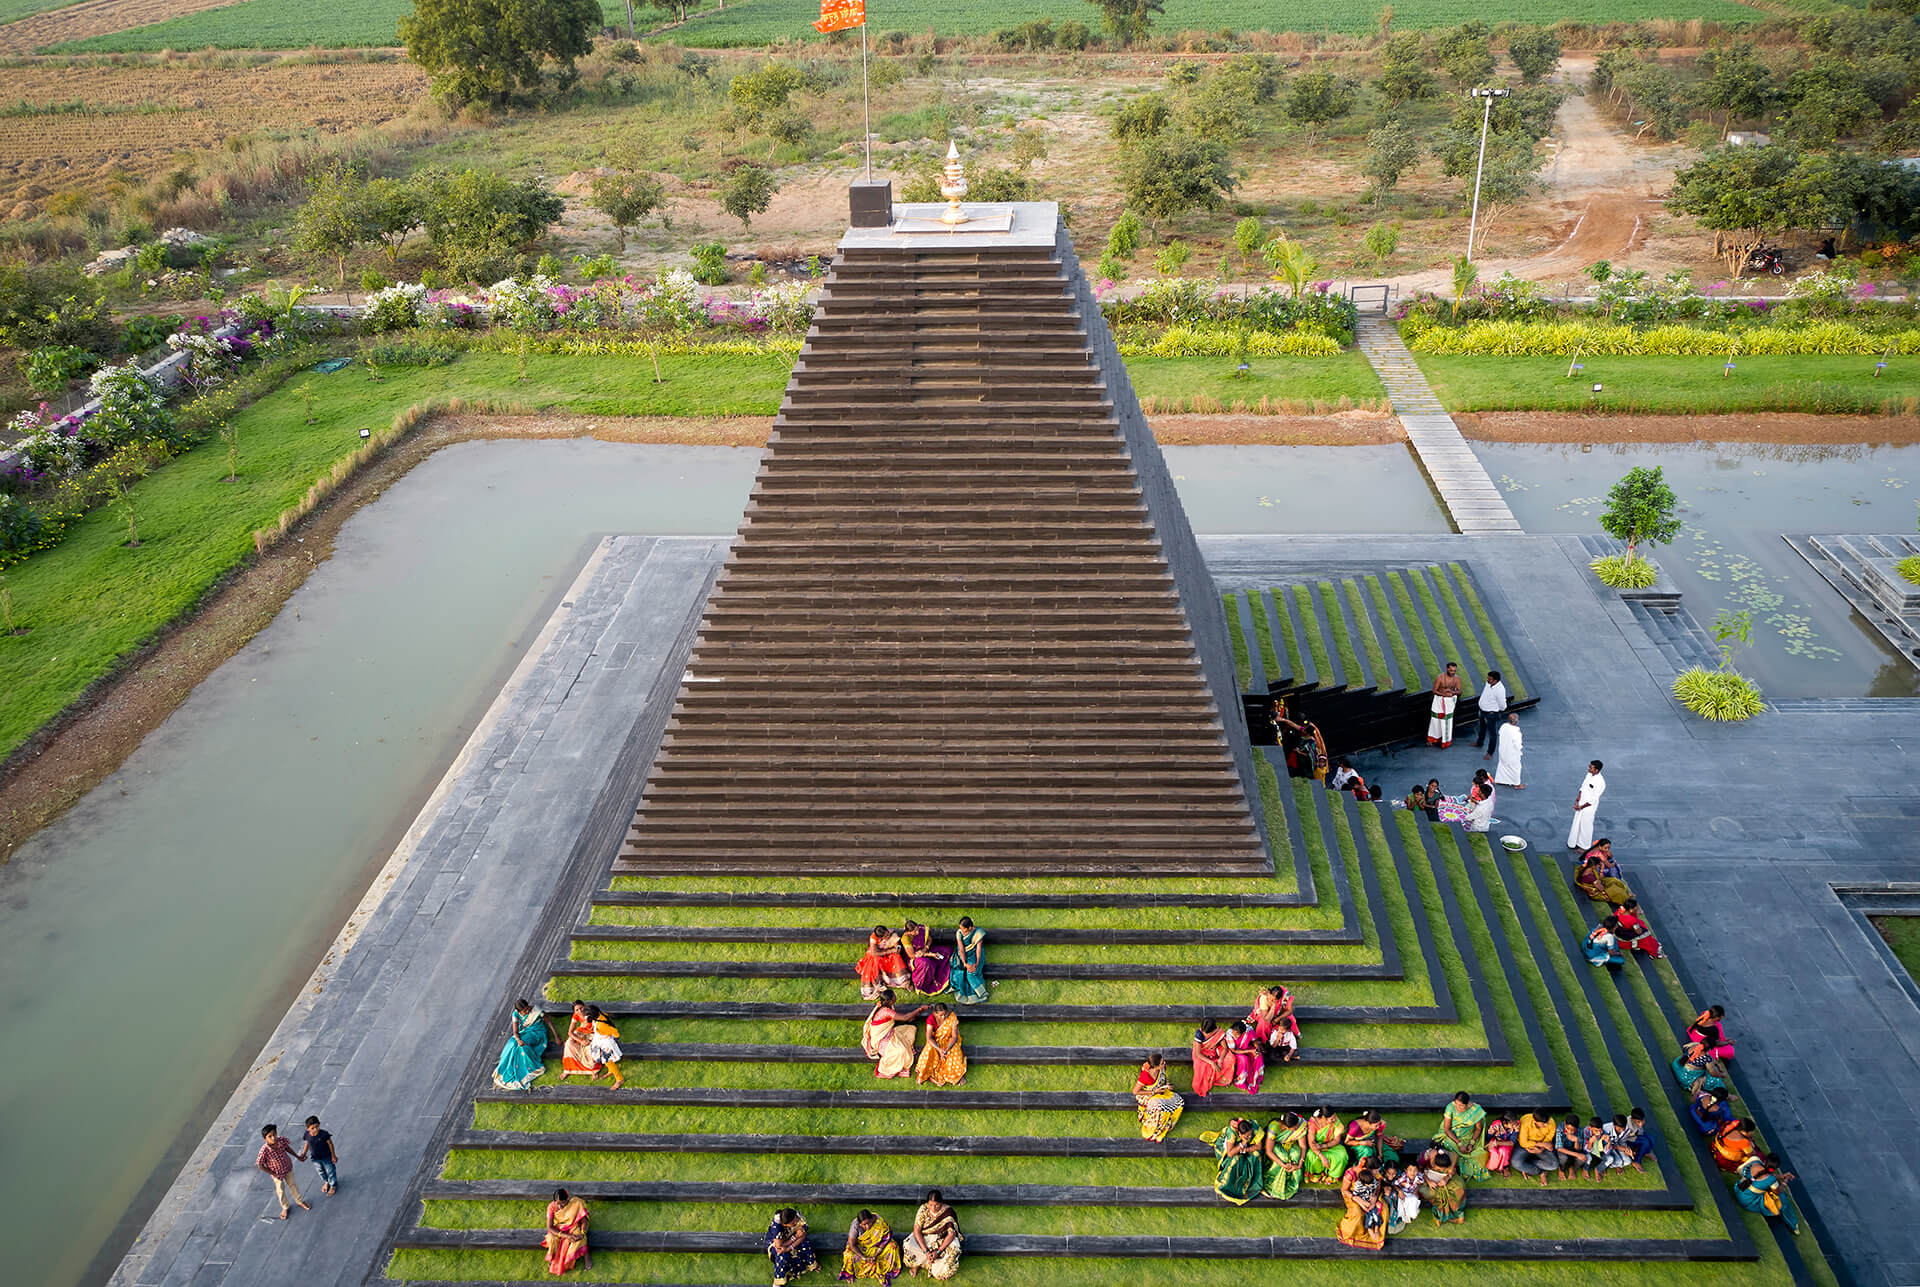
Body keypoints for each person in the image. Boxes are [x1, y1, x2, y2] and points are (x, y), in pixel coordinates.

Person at [862, 989, 928, 1079]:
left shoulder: (886, 1006)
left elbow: (902, 1018)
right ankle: (887, 1068)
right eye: (894, 996)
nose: (895, 997)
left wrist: (909, 1017)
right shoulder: (886, 1011)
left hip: (889, 1032)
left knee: (910, 1029)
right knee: (902, 1051)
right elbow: (905, 1017)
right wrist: (920, 1009)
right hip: (881, 1040)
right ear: (890, 1000)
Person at [492, 998, 555, 1092]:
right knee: (512, 1043)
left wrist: (556, 1036)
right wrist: (518, 1039)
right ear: (518, 1011)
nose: (527, 1011)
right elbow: (515, 1031)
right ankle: (507, 1066)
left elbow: (549, 1022)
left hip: (538, 1033)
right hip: (525, 1032)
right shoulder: (515, 1014)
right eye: (524, 1011)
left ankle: (531, 1067)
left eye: (527, 1008)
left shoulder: (536, 1011)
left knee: (523, 1046)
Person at [901, 1191, 962, 1279]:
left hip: (942, 1239)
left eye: (936, 1205)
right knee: (908, 1244)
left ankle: (936, 1268)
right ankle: (917, 1264)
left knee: (955, 1249)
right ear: (927, 1203)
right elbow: (917, 1229)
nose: (933, 1208)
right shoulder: (923, 1209)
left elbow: (951, 1234)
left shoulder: (948, 1212)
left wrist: (938, 1252)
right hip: (926, 1237)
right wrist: (926, 1251)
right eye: (930, 1205)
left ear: (941, 1203)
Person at [1734, 1154, 1802, 1234]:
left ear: (1764, 1161)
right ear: (1775, 1169)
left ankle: (1793, 1224)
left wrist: (1781, 1176)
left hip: (1738, 1190)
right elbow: (1778, 1191)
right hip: (1747, 1203)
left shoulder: (1754, 1162)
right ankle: (1793, 1225)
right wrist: (1784, 1182)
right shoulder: (1771, 1179)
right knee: (1782, 1197)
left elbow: (1744, 1171)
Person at [1205, 1116, 1266, 1204]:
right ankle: (1231, 1184)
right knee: (1236, 1158)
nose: (1249, 1136)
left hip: (1245, 1148)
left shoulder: (1254, 1127)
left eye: (1250, 1134)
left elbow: (1259, 1146)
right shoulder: (1232, 1133)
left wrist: (1246, 1149)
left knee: (1257, 1154)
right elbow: (1230, 1153)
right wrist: (1243, 1143)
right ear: (1239, 1134)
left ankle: (1254, 1181)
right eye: (1247, 1136)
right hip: (1229, 1149)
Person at [256, 1124, 310, 1220]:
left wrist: (297, 1156)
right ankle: (285, 1207)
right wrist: (273, 1174)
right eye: (270, 1136)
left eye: (274, 1134)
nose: (273, 1138)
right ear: (265, 1139)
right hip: (277, 1174)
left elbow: (287, 1148)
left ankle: (299, 1201)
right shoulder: (264, 1151)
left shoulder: (281, 1140)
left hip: (287, 1167)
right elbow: (260, 1165)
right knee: (281, 1190)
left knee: (293, 1185)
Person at [1435, 1091, 1491, 1181]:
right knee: (1448, 1145)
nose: (1457, 1108)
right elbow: (1447, 1129)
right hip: (1451, 1135)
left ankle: (1456, 1168)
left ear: (1467, 1104)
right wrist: (1459, 1144)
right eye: (1456, 1104)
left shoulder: (1476, 1111)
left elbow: (1478, 1129)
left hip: (1469, 1136)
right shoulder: (1450, 1107)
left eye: (1461, 1106)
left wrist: (1471, 1144)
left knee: (1480, 1154)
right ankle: (1455, 1168)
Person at [1336, 1160, 1388, 1249]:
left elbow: (1377, 1188)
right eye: (1375, 1171)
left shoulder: (1374, 1175)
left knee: (1383, 1209)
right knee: (1358, 1213)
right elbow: (1344, 1190)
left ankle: (1376, 1230)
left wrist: (1374, 1199)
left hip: (1370, 1195)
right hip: (1352, 1196)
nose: (1378, 1173)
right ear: (1367, 1170)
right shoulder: (1351, 1173)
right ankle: (1365, 1231)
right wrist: (1360, 1201)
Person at [1134, 1053, 1186, 1141]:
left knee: (1179, 1100)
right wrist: (1154, 1092)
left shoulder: (1162, 1068)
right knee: (1160, 1106)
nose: (1164, 1063)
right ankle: (1156, 1129)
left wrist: (1166, 1086)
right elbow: (1135, 1091)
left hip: (1160, 1091)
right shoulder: (1145, 1076)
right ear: (1155, 1066)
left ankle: (1168, 1123)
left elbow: (1162, 1081)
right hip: (1148, 1095)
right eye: (1162, 1063)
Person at [841, 1210, 902, 1281]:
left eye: (869, 1223)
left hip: (877, 1247)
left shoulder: (878, 1221)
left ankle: (887, 1268)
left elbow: (886, 1237)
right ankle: (853, 1272)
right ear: (860, 1224)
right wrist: (864, 1258)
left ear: (872, 1218)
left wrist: (876, 1254)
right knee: (849, 1255)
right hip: (861, 1247)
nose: (867, 1227)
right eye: (864, 1225)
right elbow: (852, 1245)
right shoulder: (855, 1225)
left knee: (893, 1246)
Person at [915, 1004, 966, 1087]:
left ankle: (956, 1075)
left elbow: (954, 1036)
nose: (943, 1017)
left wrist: (947, 1049)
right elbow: (929, 1038)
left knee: (955, 1050)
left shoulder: (952, 1017)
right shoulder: (931, 1019)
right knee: (929, 1049)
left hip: (949, 1041)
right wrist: (939, 1049)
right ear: (935, 1013)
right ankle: (924, 1073)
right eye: (941, 1015)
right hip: (936, 1041)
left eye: (945, 1014)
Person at [856, 926, 912, 1000]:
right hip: (879, 953)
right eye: (885, 936)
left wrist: (898, 948)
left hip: (890, 952)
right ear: (880, 938)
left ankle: (902, 981)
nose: (887, 936)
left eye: (887, 934)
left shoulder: (892, 933)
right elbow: (874, 952)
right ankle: (878, 983)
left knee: (896, 957)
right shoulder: (873, 938)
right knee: (875, 960)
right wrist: (888, 951)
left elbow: (897, 945)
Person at [767, 1208, 820, 1286]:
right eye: (793, 1223)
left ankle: (812, 1265)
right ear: (785, 1225)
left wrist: (790, 1246)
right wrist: (795, 1237)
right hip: (776, 1245)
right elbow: (779, 1247)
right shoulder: (777, 1228)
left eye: (796, 1220)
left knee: (805, 1244)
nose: (796, 1222)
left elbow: (803, 1235)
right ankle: (778, 1282)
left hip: (791, 1238)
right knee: (782, 1256)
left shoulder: (794, 1216)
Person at [1262, 1113, 1308, 1200]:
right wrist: (1283, 1164)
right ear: (1288, 1127)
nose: (1298, 1128)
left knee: (1296, 1154)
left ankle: (1293, 1180)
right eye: (1295, 1127)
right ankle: (1277, 1180)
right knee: (1283, 1157)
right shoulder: (1274, 1127)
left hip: (1291, 1144)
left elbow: (1303, 1147)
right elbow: (1269, 1151)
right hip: (1277, 1145)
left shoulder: (1299, 1123)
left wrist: (1299, 1165)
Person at [544, 1188, 590, 1275]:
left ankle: (587, 1256)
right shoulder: (551, 1207)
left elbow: (584, 1221)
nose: (561, 1206)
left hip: (574, 1226)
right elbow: (550, 1227)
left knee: (579, 1238)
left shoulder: (576, 1203)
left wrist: (582, 1233)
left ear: (567, 1198)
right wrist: (566, 1236)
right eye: (558, 1204)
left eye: (563, 1203)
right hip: (559, 1229)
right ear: (554, 1201)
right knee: (551, 1239)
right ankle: (553, 1258)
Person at [901, 919, 952, 995]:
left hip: (924, 950)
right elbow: (912, 955)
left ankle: (943, 969)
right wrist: (929, 954)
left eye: (917, 929)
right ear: (908, 932)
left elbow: (929, 940)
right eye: (914, 931)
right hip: (914, 959)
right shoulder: (905, 939)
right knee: (926, 963)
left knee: (946, 950)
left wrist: (925, 949)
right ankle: (922, 985)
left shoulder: (921, 930)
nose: (917, 932)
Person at [1418, 1145, 1466, 1224]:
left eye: (1444, 1169)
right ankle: (1441, 1214)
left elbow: (1453, 1170)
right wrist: (1428, 1181)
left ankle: (1454, 1215)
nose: (1441, 1170)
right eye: (1439, 1168)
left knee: (1458, 1188)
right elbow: (1419, 1170)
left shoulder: (1451, 1157)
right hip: (1428, 1176)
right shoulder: (1426, 1156)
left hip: (1445, 1177)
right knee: (1430, 1192)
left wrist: (1446, 1178)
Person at [1567, 760, 1607, 851]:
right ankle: (1574, 842)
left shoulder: (1600, 782)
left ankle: (1584, 846)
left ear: (1597, 770)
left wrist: (1581, 807)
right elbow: (1582, 788)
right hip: (1581, 803)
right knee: (1577, 822)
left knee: (1586, 826)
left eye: (1591, 767)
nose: (1589, 768)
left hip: (1588, 807)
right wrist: (1577, 801)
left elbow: (1593, 799)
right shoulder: (1589, 775)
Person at [1575, 840, 1631, 905]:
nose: (1599, 866)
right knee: (1618, 892)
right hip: (1597, 892)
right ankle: (1627, 903)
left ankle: (1627, 894)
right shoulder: (1590, 876)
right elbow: (1601, 889)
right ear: (1594, 866)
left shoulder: (1588, 868)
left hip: (1597, 883)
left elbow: (1600, 879)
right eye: (1598, 865)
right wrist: (1602, 870)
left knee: (1614, 880)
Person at [1190, 1017, 1236, 1096]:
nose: (1205, 1033)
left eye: (1207, 1032)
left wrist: (1220, 1060)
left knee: (1231, 1059)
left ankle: (1221, 1079)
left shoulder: (1218, 1032)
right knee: (1201, 1065)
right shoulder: (1199, 1033)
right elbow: (1198, 1053)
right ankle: (1206, 1082)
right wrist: (1212, 1063)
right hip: (1202, 1053)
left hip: (1214, 1051)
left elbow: (1225, 1048)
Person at [1304, 1107, 1350, 1185]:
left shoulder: (1336, 1122)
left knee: (1342, 1155)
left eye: (1335, 1116)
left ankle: (1333, 1176)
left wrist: (1323, 1146)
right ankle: (1316, 1174)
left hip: (1331, 1145)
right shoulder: (1313, 1123)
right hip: (1316, 1147)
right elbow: (1312, 1144)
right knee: (1311, 1155)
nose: (1335, 1119)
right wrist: (1322, 1157)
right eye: (1332, 1119)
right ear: (1323, 1118)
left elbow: (1336, 1140)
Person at [1511, 1110, 1558, 1185]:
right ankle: (1541, 1172)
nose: (1546, 1125)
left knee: (1554, 1165)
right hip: (1525, 1147)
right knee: (1516, 1163)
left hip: (1542, 1146)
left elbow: (1548, 1138)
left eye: (1547, 1122)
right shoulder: (1525, 1121)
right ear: (1535, 1121)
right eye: (1544, 1123)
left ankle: (1527, 1164)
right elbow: (1523, 1143)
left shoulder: (1551, 1122)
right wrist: (1541, 1145)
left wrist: (1541, 1149)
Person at [297, 1115, 338, 1196]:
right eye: (312, 1128)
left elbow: (330, 1144)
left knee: (330, 1171)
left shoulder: (323, 1134)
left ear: (319, 1125)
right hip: (315, 1158)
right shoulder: (307, 1135)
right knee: (321, 1172)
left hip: (327, 1157)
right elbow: (307, 1143)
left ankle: (333, 1185)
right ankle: (327, 1182)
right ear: (308, 1129)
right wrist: (304, 1153)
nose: (315, 1129)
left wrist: (333, 1155)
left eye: (317, 1127)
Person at [584, 1006, 624, 1089]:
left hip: (605, 1043)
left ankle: (619, 1079)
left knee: (608, 1060)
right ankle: (610, 1071)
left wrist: (615, 1037)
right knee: (605, 1060)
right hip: (600, 1040)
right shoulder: (601, 1015)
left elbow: (614, 1031)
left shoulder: (602, 1025)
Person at [950, 918, 988, 1005]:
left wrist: (977, 963)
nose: (962, 932)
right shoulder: (959, 933)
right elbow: (961, 949)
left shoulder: (978, 933)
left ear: (970, 927)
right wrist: (965, 963)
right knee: (959, 972)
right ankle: (979, 993)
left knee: (971, 972)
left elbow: (978, 950)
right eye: (961, 929)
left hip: (975, 954)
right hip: (963, 954)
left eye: (965, 930)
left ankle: (981, 993)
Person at [1473, 669, 1508, 756]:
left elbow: (1502, 705)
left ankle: (1490, 752)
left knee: (1492, 733)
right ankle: (1479, 742)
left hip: (1491, 714)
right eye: (1488, 678)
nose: (1487, 680)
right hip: (1483, 711)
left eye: (1490, 679)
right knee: (1482, 728)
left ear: (1495, 681)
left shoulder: (1500, 690)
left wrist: (1494, 710)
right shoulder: (1488, 684)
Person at [561, 1000, 599, 1079]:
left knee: (590, 1048)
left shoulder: (591, 1012)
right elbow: (570, 1032)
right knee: (568, 1044)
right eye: (576, 1010)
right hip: (580, 1033)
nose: (579, 1011)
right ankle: (568, 1070)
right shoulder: (576, 1015)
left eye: (581, 1008)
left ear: (584, 1006)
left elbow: (599, 1025)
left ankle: (593, 1070)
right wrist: (581, 1041)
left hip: (593, 1034)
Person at [1427, 662, 1461, 747]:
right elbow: (1434, 691)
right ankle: (1432, 739)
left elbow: (1460, 691)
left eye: (1454, 671)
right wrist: (1444, 694)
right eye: (1451, 670)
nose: (1453, 672)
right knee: (1435, 721)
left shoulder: (1457, 678)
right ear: (1447, 669)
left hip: (1449, 703)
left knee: (1447, 722)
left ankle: (1445, 741)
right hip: (1438, 702)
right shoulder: (1440, 678)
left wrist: (1452, 692)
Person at [1229, 1019, 1265, 1094]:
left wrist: (1257, 1050)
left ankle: (1257, 1078)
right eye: (1233, 1031)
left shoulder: (1249, 1030)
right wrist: (1250, 1051)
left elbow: (1254, 1041)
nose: (1234, 1034)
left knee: (1258, 1056)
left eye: (1237, 1034)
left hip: (1245, 1048)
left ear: (1242, 1033)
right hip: (1236, 1052)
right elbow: (1234, 1050)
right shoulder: (1229, 1035)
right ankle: (1240, 1080)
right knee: (1244, 1059)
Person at [1385, 1162, 1422, 1233]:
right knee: (1402, 1201)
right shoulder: (1402, 1178)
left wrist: (1416, 1190)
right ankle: (1399, 1217)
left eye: (1415, 1170)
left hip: (1410, 1193)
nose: (1412, 1173)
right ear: (1406, 1171)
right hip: (1401, 1192)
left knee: (1413, 1200)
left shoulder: (1418, 1177)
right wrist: (1399, 1191)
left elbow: (1420, 1182)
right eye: (1410, 1170)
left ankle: (1409, 1214)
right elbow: (1394, 1185)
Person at [1493, 712, 1525, 788]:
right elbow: (1518, 745)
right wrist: (1520, 750)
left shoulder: (1503, 726)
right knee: (1516, 768)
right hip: (1512, 754)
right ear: (1516, 721)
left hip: (1503, 751)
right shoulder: (1516, 732)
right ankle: (1516, 784)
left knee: (1502, 765)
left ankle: (1501, 780)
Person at [1554, 1115, 1590, 1180]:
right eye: (1567, 1129)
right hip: (1563, 1150)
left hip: (1573, 1150)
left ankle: (1573, 1168)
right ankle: (1561, 1169)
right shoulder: (1560, 1129)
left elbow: (1578, 1150)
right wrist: (1577, 1154)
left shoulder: (1580, 1131)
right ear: (1565, 1123)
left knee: (1582, 1158)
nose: (1570, 1132)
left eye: (1572, 1130)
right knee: (1563, 1157)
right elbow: (1559, 1148)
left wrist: (1576, 1141)